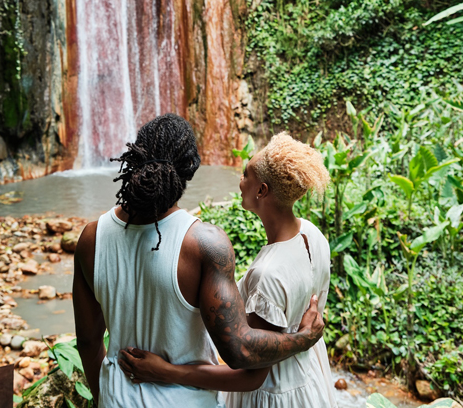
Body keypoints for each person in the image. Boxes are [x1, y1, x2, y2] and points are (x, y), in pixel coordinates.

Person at [72, 114, 325, 408]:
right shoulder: (203, 244)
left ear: (136, 155)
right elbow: (240, 351)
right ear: (190, 168)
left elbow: (88, 342)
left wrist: (105, 397)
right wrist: (304, 338)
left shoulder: (91, 238)